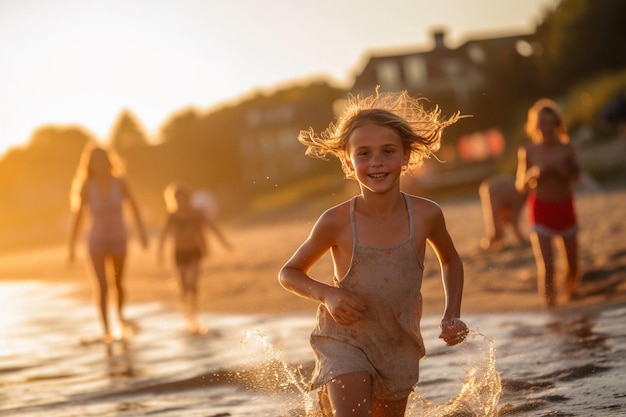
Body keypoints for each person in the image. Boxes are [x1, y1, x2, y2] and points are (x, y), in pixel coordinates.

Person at [278, 91, 469, 417]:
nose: (376, 161)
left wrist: (452, 313)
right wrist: (328, 295)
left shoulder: (426, 215)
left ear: (406, 156)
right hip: (344, 342)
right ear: (348, 162)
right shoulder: (336, 221)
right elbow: (289, 273)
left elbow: (450, 259)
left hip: (398, 343)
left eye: (388, 151)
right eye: (363, 153)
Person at [68, 145, 148, 343]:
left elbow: (134, 207)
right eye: (95, 161)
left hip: (119, 238)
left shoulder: (119, 182)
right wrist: (70, 246)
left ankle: (119, 316)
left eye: (102, 159)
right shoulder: (87, 187)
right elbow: (78, 217)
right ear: (90, 165)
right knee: (102, 286)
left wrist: (142, 233)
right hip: (96, 241)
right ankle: (106, 331)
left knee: (118, 284)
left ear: (108, 161)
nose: (99, 164)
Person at [515, 98, 581, 308]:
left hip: (564, 207)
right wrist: (534, 173)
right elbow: (520, 185)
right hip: (541, 209)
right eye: (542, 123)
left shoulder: (566, 147)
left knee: (572, 265)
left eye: (551, 123)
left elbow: (577, 177)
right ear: (536, 126)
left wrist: (563, 171)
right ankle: (550, 311)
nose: (547, 127)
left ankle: (570, 302)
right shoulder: (528, 151)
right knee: (548, 265)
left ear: (557, 124)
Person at [157, 182, 231, 334]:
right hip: (178, 254)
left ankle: (195, 317)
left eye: (183, 198)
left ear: (188, 198)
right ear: (172, 200)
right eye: (177, 199)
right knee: (184, 287)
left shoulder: (196, 213)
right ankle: (188, 318)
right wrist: (160, 253)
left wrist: (224, 243)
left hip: (194, 252)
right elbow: (163, 236)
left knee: (193, 283)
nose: (180, 202)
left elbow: (211, 227)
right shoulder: (172, 215)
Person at [479, 175, 528, 250]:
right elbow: (514, 219)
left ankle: (495, 240)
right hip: (495, 189)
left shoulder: (519, 193)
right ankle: (493, 240)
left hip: (493, 187)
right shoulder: (521, 195)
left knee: (497, 218)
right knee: (495, 219)